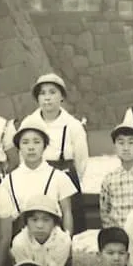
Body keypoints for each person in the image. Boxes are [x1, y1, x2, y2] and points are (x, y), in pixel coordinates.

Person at [24, 73, 89, 232]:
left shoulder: (73, 125)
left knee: (68, 224)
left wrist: (69, 180)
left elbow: (81, 160)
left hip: (65, 177)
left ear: (62, 96)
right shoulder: (29, 123)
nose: (47, 98)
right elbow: (23, 155)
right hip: (37, 177)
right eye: (42, 93)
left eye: (52, 92)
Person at [5, 118, 78, 232]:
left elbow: (67, 212)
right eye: (25, 142)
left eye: (37, 142)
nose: (31, 147)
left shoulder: (58, 177)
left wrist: (67, 240)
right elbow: (6, 218)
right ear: (19, 147)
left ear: (44, 145)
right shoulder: (8, 180)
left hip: (54, 239)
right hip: (20, 241)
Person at [10, 195, 73, 266]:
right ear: (26, 222)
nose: (39, 225)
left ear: (54, 223)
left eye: (46, 220)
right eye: (34, 220)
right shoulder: (19, 243)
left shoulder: (63, 241)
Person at [98, 122, 133, 229]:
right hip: (118, 237)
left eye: (131, 142)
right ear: (115, 147)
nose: (126, 148)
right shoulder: (109, 179)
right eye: (121, 143)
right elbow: (105, 212)